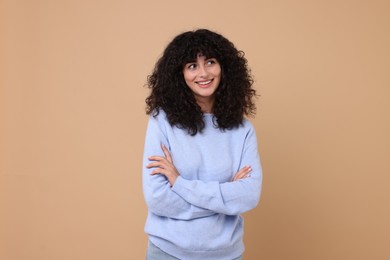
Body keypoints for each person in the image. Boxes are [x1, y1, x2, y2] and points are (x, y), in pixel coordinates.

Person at [142, 28, 262, 260]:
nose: (203, 73)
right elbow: (158, 199)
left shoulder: (243, 130)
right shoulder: (161, 122)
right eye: (192, 66)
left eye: (210, 62)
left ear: (224, 67)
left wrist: (179, 184)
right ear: (180, 74)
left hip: (226, 254)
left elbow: (248, 195)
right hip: (168, 252)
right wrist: (224, 198)